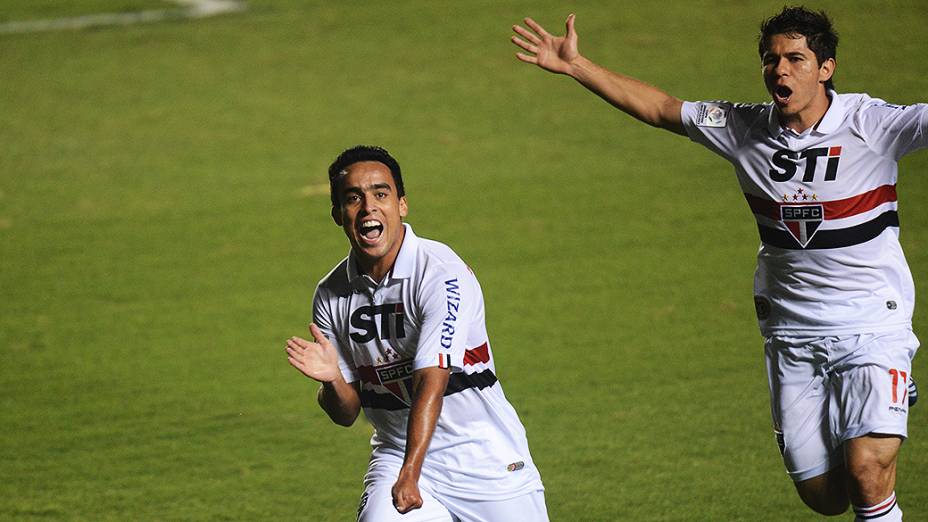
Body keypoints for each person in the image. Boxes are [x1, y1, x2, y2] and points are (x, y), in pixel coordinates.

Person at [511, 6, 923, 521]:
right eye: (771, 60)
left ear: (826, 68)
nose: (781, 70)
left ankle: (884, 404)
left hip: (871, 325)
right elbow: (663, 108)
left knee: (867, 476)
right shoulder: (742, 126)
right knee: (825, 497)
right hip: (792, 333)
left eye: (796, 58)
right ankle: (873, 423)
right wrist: (577, 66)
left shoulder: (872, 124)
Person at [285, 145, 548, 522]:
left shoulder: (440, 273)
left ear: (402, 204)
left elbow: (432, 379)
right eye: (353, 198)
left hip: (483, 456)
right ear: (337, 214)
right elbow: (346, 413)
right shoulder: (331, 294)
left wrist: (412, 473)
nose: (368, 207)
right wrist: (331, 381)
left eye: (381, 193)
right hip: (395, 452)